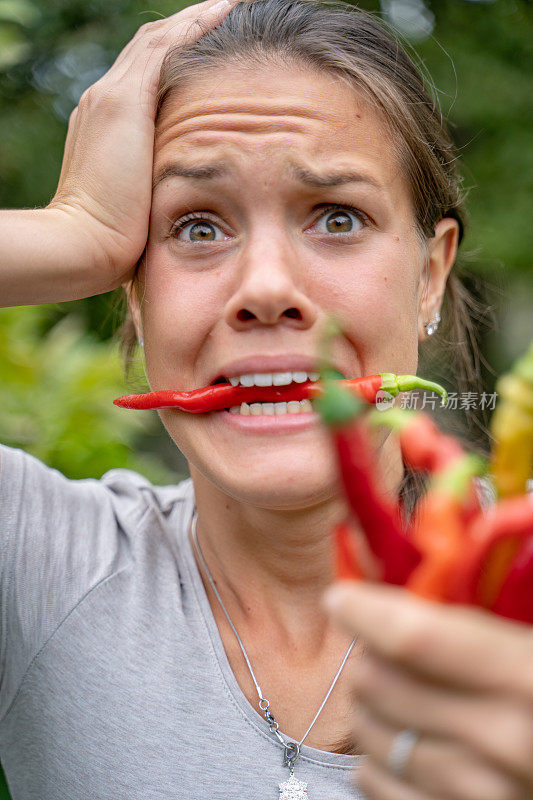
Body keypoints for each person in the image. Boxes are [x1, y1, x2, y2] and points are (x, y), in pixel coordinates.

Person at [1, 0, 532, 798]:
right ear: (135, 297)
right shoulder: (36, 564)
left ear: (428, 275)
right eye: (197, 228)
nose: (266, 289)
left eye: (337, 216)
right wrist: (72, 233)